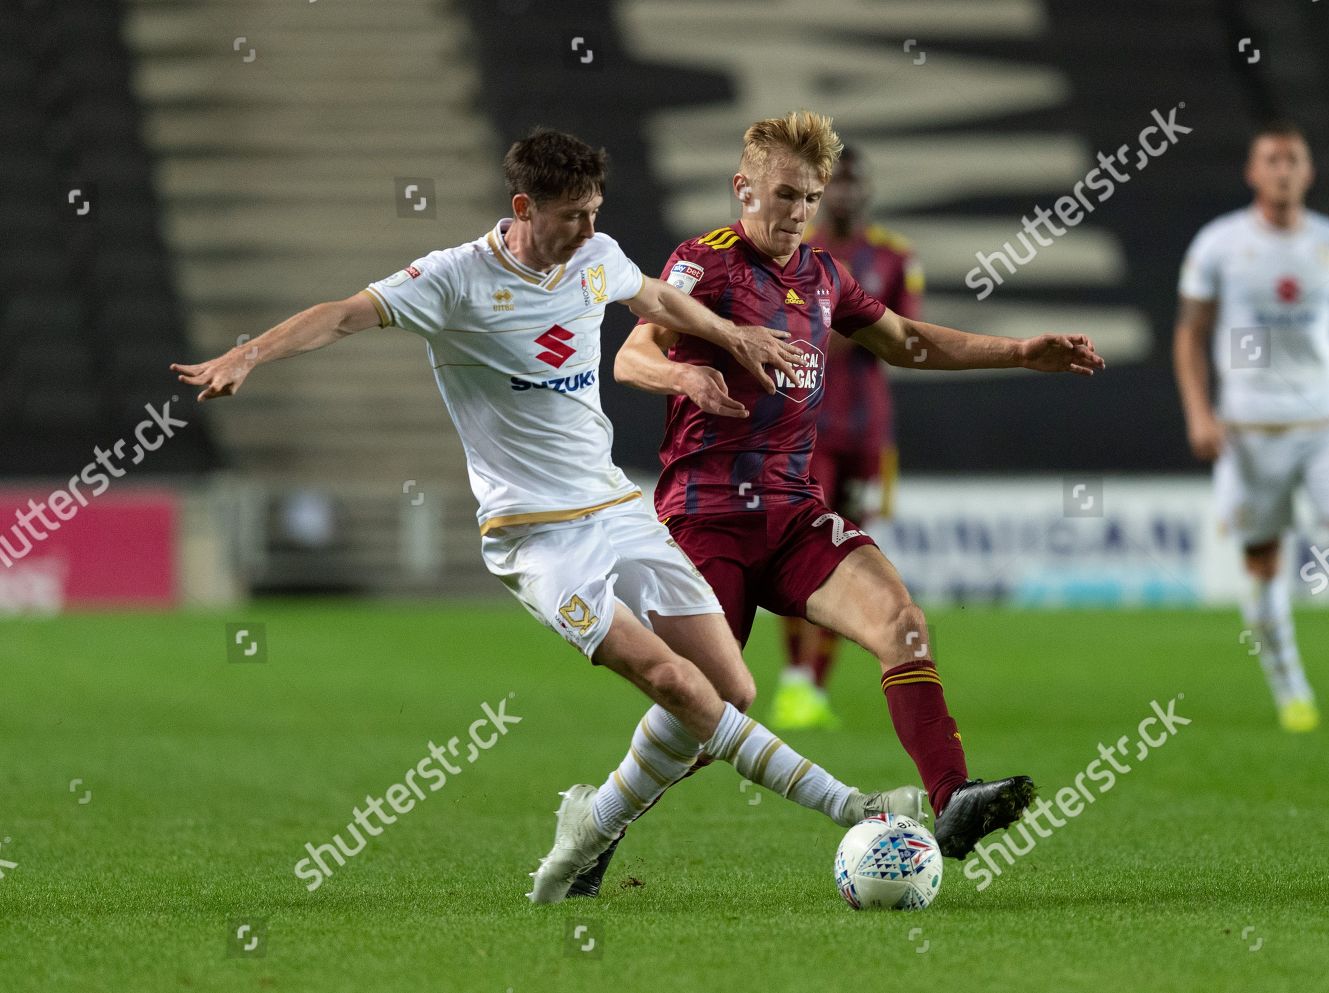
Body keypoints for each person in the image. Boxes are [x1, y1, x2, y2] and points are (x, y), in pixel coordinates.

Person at [171, 127, 922, 904]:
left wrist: (728, 333)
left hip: (617, 507)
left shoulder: (594, 255)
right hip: (536, 534)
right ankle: (855, 808)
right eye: (572, 215)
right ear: (524, 207)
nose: (590, 230)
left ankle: (589, 827)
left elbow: (651, 295)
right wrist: (248, 355)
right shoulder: (453, 280)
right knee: (674, 680)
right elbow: (339, 315)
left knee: (730, 689)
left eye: (596, 210)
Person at [592, 110, 1104, 897]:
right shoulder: (705, 263)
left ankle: (953, 797)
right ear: (743, 189)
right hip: (706, 518)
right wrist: (687, 375)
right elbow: (632, 354)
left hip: (795, 514)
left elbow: (906, 340)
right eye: (783, 194)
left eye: (809, 196)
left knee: (902, 624)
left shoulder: (825, 277)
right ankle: (598, 828)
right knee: (702, 715)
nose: (796, 212)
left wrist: (1022, 352)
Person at [1173, 120, 1329, 733]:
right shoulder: (1219, 244)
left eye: (1293, 160)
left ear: (1308, 172)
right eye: (1271, 159)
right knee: (1263, 559)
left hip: (1326, 421)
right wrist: (1199, 411)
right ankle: (1292, 694)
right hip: (1250, 430)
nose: (1282, 169)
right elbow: (1191, 333)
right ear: (1252, 172)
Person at [769, 145, 924, 733]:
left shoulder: (893, 257)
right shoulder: (794, 254)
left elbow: (902, 338)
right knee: (796, 548)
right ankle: (791, 677)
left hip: (866, 433)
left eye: (854, 184)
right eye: (835, 185)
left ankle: (813, 687)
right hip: (804, 432)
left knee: (849, 557)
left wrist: (835, 330)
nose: (845, 195)